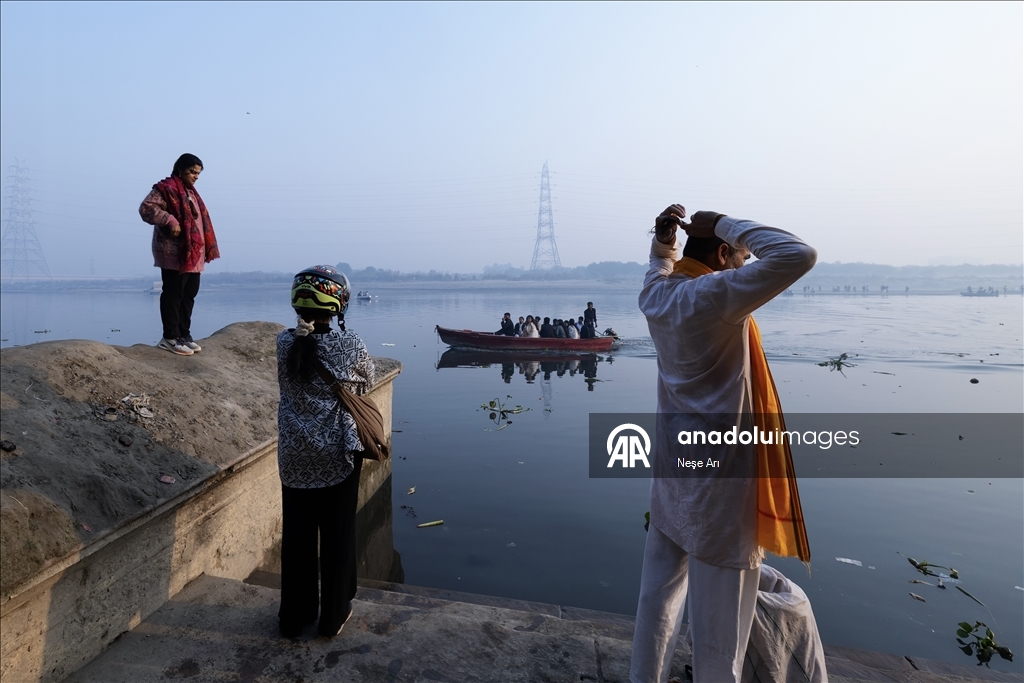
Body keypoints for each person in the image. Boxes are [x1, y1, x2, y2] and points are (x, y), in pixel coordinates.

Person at [630, 205, 819, 682]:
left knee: (657, 601)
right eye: (739, 255)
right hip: (720, 490)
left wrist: (665, 237)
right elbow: (798, 254)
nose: (745, 262)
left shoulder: (656, 296)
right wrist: (726, 224)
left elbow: (658, 265)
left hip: (672, 477)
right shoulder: (716, 295)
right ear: (721, 253)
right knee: (719, 637)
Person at [276, 265, 374, 639]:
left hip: (294, 456)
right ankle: (333, 615)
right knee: (337, 534)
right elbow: (365, 383)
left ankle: (294, 618)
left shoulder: (283, 343)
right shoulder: (350, 345)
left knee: (297, 536)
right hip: (338, 455)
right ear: (338, 305)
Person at [139, 153, 221, 356]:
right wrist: (170, 220)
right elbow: (146, 208)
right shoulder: (165, 188)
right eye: (192, 172)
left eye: (198, 173)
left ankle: (184, 334)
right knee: (173, 294)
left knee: (189, 294)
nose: (195, 176)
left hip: (193, 254)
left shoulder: (191, 192)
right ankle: (170, 337)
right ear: (180, 169)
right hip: (174, 252)